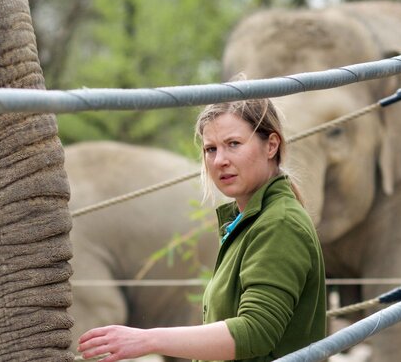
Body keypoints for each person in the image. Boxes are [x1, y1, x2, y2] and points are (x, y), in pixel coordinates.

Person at [77, 98, 326, 362]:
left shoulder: (279, 224)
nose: (220, 160)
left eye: (234, 144)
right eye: (210, 149)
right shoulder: (251, 220)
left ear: (271, 145)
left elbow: (255, 332)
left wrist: (147, 340)